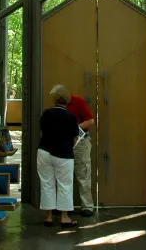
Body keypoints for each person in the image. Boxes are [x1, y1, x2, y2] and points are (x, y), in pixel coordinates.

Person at [38, 85, 80, 228]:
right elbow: (75, 137)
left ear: (54, 100)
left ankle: (49, 217)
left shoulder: (46, 113)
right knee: (65, 185)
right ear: (67, 101)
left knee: (47, 184)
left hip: (44, 152)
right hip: (63, 154)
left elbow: (42, 132)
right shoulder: (71, 117)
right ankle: (64, 217)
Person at [58, 85, 95, 217]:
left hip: (81, 141)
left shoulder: (78, 102)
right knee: (64, 176)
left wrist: (73, 127)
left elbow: (90, 120)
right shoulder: (57, 107)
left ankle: (87, 206)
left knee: (83, 173)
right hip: (64, 143)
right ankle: (66, 206)